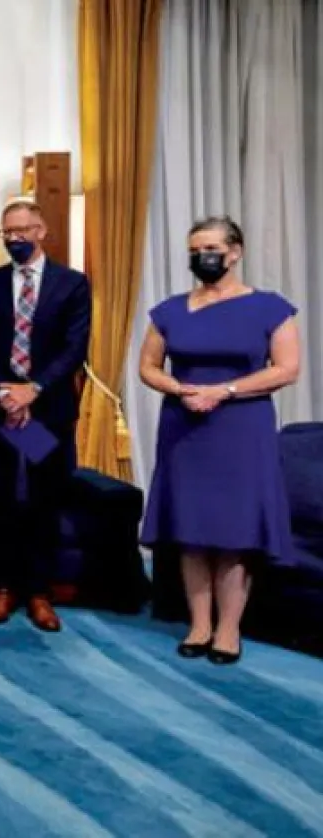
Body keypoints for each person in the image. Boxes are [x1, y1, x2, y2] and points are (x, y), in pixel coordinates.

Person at [137, 216, 300, 665]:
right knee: (192, 532)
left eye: (209, 248)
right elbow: (148, 366)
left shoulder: (271, 307)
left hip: (241, 428)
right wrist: (181, 390)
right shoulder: (169, 310)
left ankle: (229, 629)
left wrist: (223, 391)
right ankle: (199, 623)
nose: (200, 257)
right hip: (184, 427)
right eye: (193, 250)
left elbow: (286, 368)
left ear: (235, 252)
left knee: (233, 532)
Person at [0, 200, 91, 632]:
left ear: (42, 231)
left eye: (22, 230)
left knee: (42, 499)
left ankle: (39, 592)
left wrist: (32, 391)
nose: (15, 238)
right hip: (1, 411)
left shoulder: (71, 285)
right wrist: (7, 393)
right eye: (7, 232)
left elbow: (74, 348)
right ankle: (2, 588)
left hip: (46, 412)